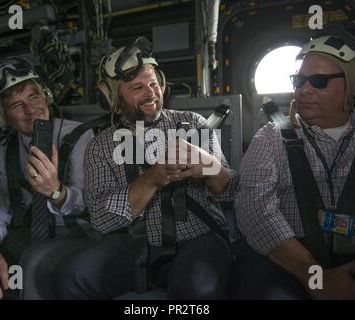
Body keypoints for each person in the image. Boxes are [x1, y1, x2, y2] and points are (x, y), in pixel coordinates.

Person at [54, 37, 238, 300]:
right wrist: (152, 179)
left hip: (198, 238)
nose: (151, 93)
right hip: (132, 243)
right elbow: (101, 219)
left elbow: (232, 192)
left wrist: (209, 166)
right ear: (112, 96)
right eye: (137, 87)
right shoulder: (100, 145)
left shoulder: (193, 123)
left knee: (200, 289)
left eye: (154, 83)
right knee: (71, 277)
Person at [233, 25, 355, 300]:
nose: (304, 90)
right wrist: (317, 278)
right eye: (299, 81)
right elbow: (254, 211)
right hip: (286, 260)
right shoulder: (271, 137)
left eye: (319, 82)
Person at [0, 56, 97, 300]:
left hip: (82, 234)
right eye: (16, 104)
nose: (31, 109)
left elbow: (90, 203)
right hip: (30, 234)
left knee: (33, 263)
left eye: (34, 96)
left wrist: (56, 191)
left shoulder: (79, 138)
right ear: (1, 115)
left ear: (46, 96)